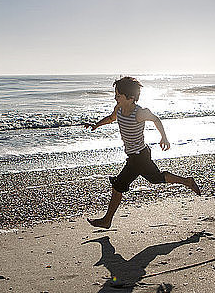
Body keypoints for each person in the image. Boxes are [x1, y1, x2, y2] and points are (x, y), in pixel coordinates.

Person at [85, 76, 201, 229]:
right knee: (155, 178)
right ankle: (187, 181)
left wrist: (164, 137)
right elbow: (111, 118)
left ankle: (107, 220)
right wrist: (96, 125)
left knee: (119, 185)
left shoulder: (139, 113)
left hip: (139, 156)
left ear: (131, 97)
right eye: (115, 95)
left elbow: (156, 119)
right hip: (137, 155)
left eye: (118, 95)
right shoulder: (118, 108)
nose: (115, 98)